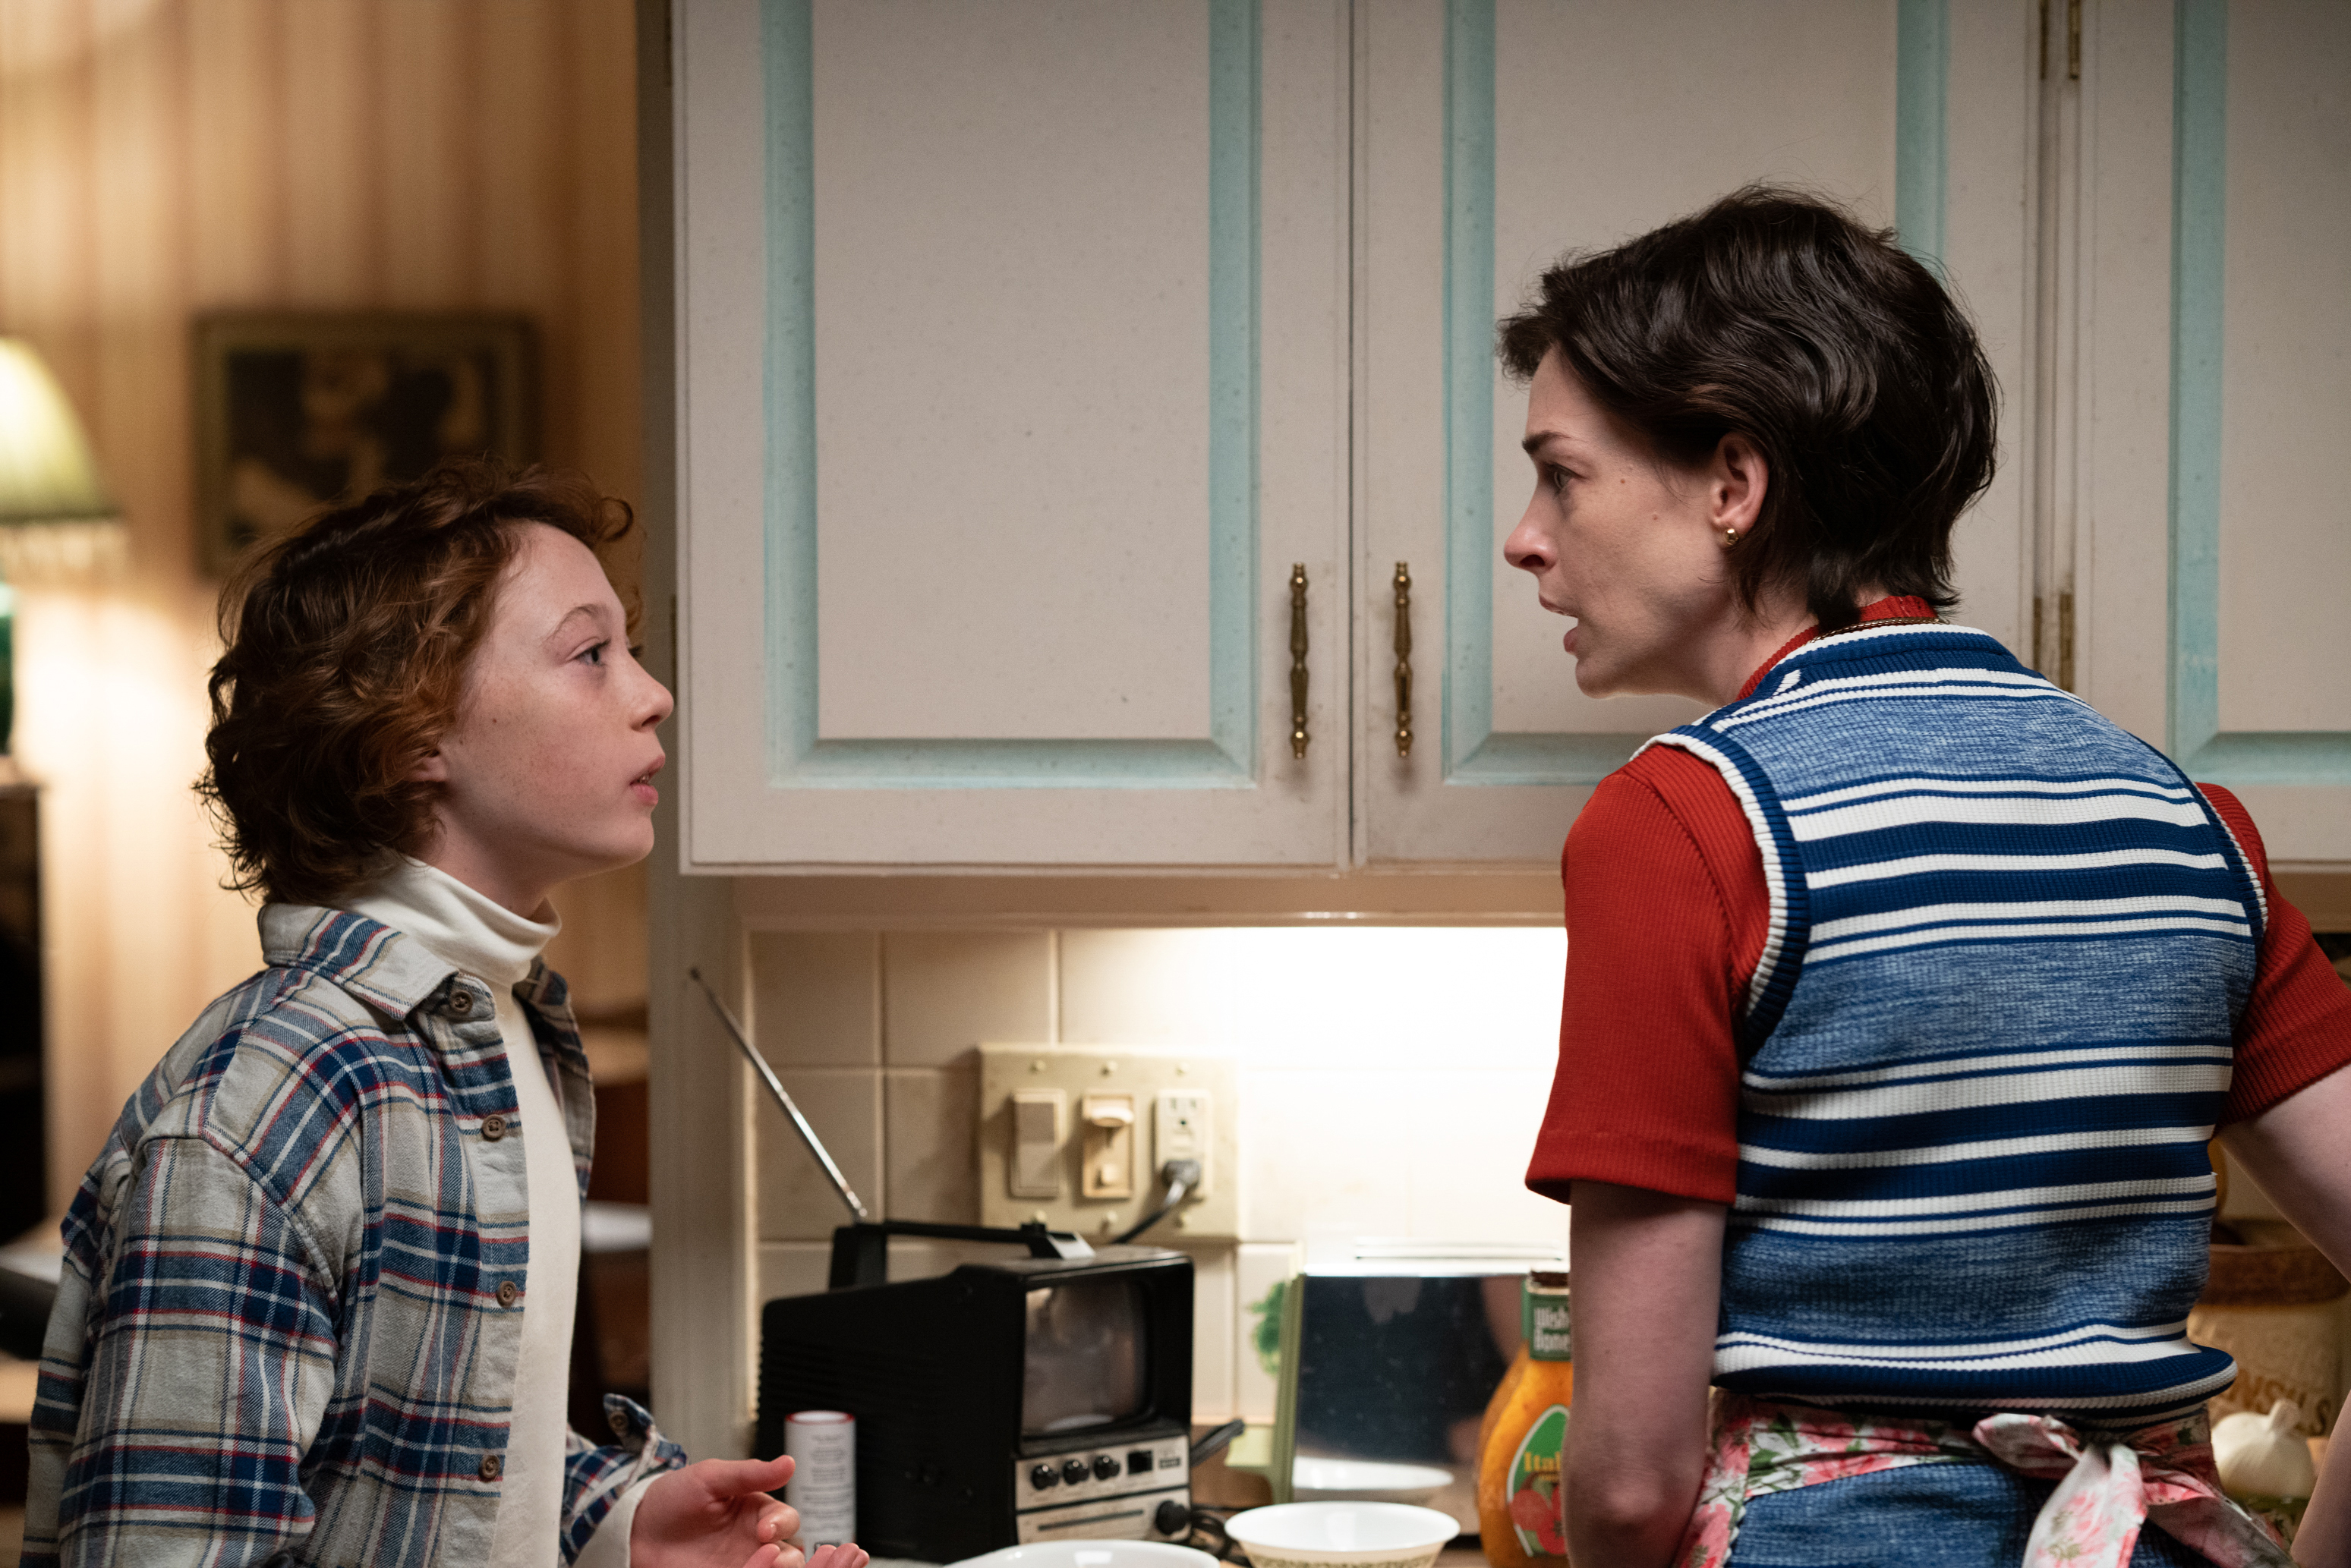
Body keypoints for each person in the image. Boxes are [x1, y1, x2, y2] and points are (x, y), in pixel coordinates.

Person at [1502, 187, 2351, 1567]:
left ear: (1732, 483)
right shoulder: (2189, 822)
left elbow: (1627, 1479)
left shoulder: (1680, 825)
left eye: (1562, 473)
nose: (1524, 535)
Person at [23, 461, 872, 1568]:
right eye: (590, 654)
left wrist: (618, 1523)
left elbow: (438, 1445)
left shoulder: (509, 1034)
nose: (654, 691)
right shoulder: (268, 1110)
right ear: (415, 732)